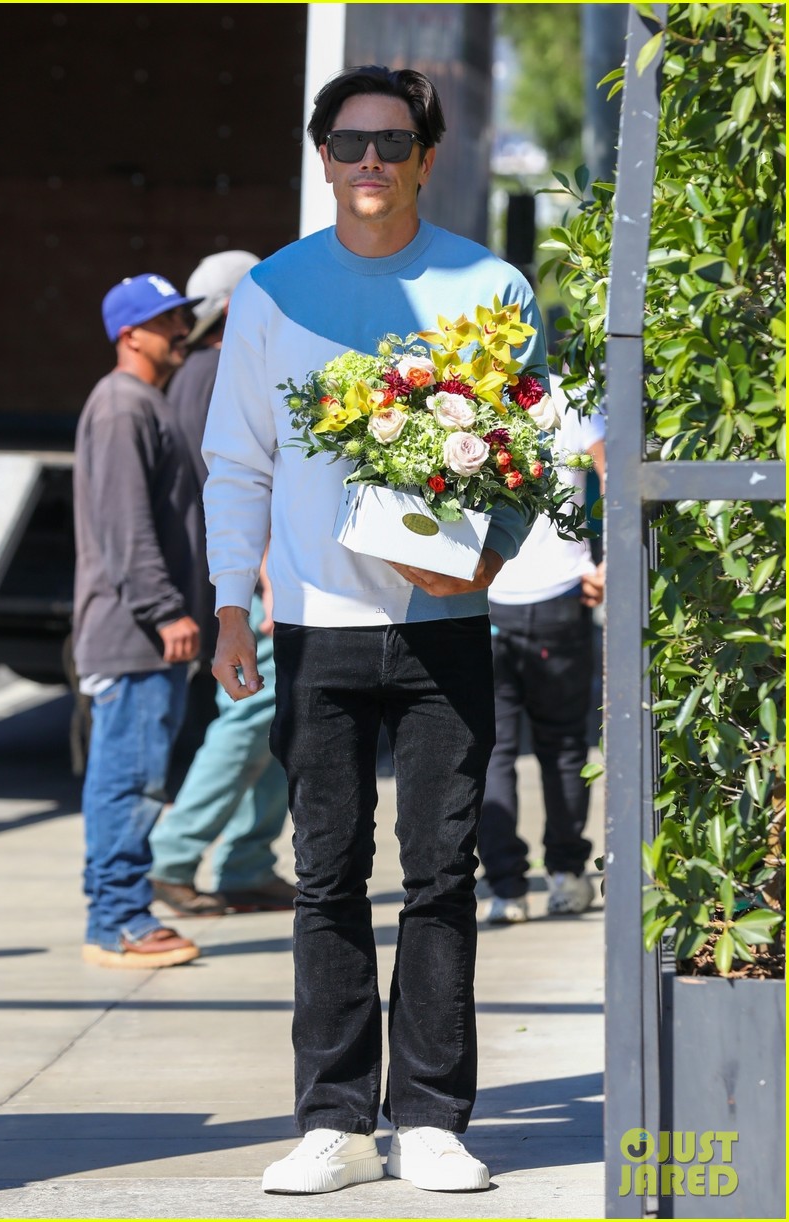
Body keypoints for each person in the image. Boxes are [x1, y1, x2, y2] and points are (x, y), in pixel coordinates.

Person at [202, 66, 546, 1194]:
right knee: (325, 879)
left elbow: (528, 449)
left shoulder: (487, 285)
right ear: (320, 153)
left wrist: (488, 553)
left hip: (444, 621)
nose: (368, 163)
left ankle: (433, 1117)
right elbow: (236, 461)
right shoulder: (272, 292)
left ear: (425, 158)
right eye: (347, 142)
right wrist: (229, 606)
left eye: (391, 145)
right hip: (313, 624)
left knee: (442, 874)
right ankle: (338, 1121)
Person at [148, 251, 295, 917]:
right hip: (252, 574)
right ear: (238, 309)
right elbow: (236, 484)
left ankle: (246, 862)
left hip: (244, 571)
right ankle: (175, 857)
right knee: (251, 715)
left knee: (277, 717)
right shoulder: (221, 372)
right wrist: (262, 566)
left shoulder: (197, 372)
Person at [73, 272, 205, 969]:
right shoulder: (123, 406)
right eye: (166, 322)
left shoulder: (137, 402)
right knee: (130, 781)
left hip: (138, 635)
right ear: (131, 334)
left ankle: (114, 912)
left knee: (128, 776)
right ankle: (119, 920)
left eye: (180, 319)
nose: (180, 331)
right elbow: (127, 529)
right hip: (134, 635)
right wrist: (165, 612)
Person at [478, 384, 605, 923]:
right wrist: (610, 564)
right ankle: (566, 875)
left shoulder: (461, 393)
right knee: (562, 747)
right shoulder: (574, 396)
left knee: (492, 750)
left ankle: (508, 888)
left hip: (486, 592)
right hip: (553, 593)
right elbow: (616, 474)